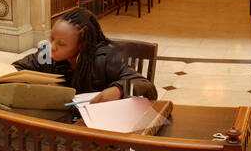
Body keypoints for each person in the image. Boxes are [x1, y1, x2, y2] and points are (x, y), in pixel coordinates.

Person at [12, 6, 154, 105]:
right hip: (60, 123)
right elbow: (16, 69)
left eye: (61, 43)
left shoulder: (105, 59)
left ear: (81, 45)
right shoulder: (47, 54)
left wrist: (118, 89)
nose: (52, 47)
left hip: (95, 128)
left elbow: (146, 85)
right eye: (51, 39)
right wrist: (41, 83)